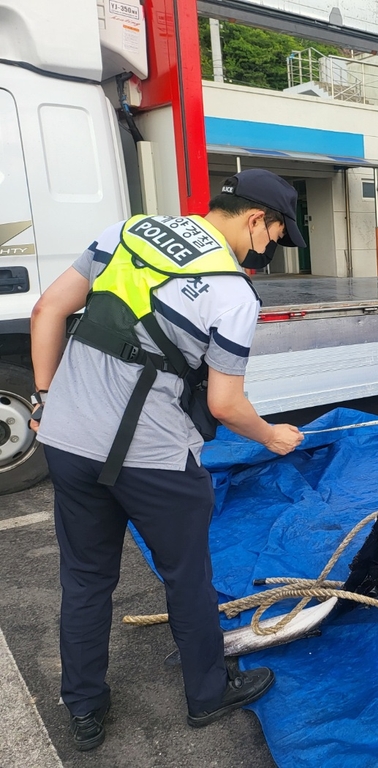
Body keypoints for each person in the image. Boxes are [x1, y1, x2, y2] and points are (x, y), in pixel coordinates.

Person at [29, 169, 306, 751]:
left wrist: (47, 398)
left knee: (84, 579)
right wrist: (271, 436)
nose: (270, 251)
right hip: (152, 458)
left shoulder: (126, 232)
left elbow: (47, 310)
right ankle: (206, 697)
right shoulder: (232, 294)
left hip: (69, 441)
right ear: (256, 219)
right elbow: (226, 404)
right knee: (188, 577)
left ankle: (83, 706)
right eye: (276, 236)